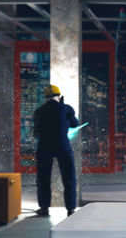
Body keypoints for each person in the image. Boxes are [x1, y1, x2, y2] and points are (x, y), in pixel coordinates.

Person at [33, 85, 79, 217]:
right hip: (63, 146)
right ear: (59, 95)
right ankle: (70, 209)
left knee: (43, 178)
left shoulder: (39, 111)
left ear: (45, 97)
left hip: (44, 147)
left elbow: (36, 133)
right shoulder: (66, 109)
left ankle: (44, 208)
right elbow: (75, 124)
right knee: (69, 177)